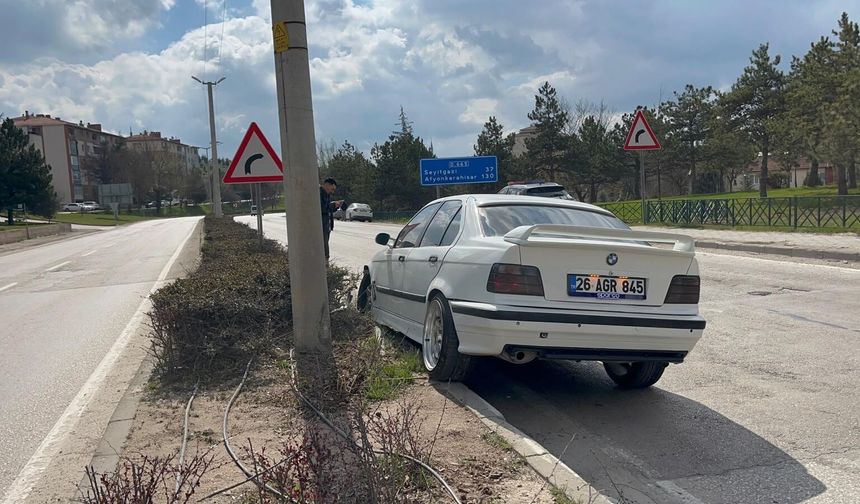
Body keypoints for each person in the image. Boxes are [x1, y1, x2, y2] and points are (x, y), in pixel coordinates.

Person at [320, 177, 343, 260]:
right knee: (324, 251)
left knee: (325, 248)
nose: (332, 192)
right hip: (321, 227)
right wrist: (333, 205)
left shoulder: (327, 195)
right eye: (332, 189)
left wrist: (335, 206)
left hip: (326, 227)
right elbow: (321, 209)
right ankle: (325, 267)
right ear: (327, 185)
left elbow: (327, 210)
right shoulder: (319, 194)